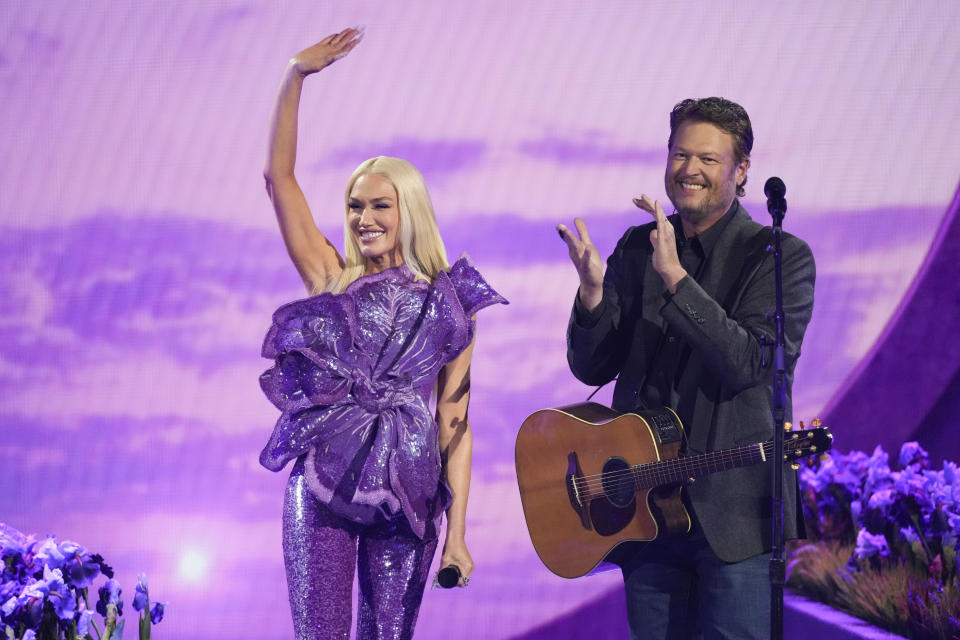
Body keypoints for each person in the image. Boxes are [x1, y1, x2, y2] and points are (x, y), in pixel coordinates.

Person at [257, 28, 506, 640]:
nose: (363, 219)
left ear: (409, 210)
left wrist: (460, 534)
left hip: (410, 490)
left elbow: (455, 422)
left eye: (379, 206)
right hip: (322, 487)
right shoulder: (330, 277)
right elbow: (278, 179)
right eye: (354, 207)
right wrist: (294, 77)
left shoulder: (451, 303)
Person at [558, 97, 816, 639]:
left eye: (708, 158)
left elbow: (749, 363)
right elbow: (592, 367)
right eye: (679, 155)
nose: (689, 170)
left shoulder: (778, 257)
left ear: (741, 170)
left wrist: (676, 278)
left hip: (734, 522)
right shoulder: (637, 246)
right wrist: (590, 296)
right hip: (649, 514)